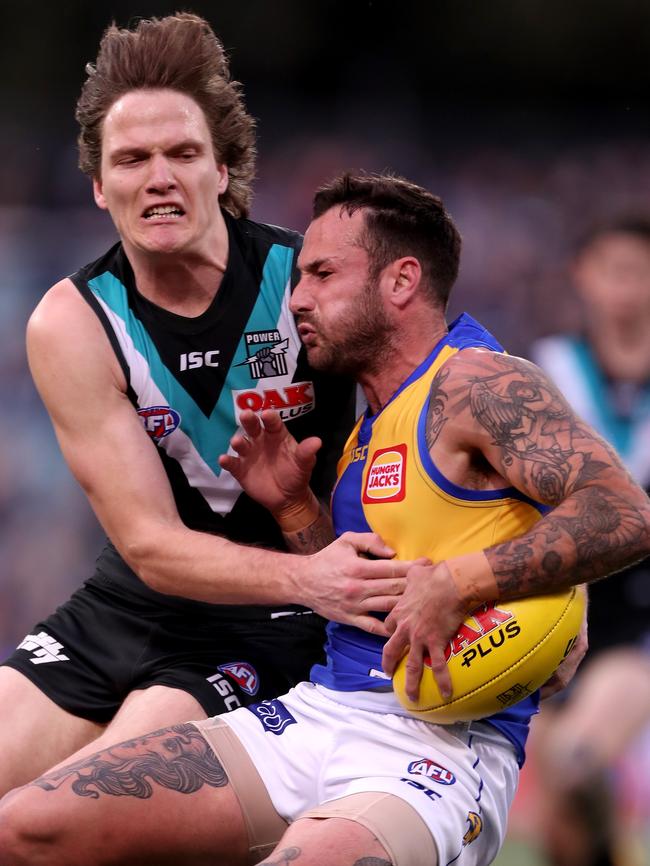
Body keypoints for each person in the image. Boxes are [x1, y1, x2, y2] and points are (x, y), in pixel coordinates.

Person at [1, 172, 648, 866]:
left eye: (321, 274)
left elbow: (625, 511)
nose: (298, 297)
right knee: (24, 825)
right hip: (320, 713)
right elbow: (363, 595)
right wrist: (294, 508)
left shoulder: (478, 382)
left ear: (400, 281)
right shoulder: (367, 425)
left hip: (437, 749)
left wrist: (462, 583)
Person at [0, 14, 416, 798]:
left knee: (74, 809)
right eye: (131, 159)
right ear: (98, 185)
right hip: (128, 606)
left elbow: (447, 428)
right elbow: (151, 545)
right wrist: (314, 581)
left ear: (222, 169)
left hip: (269, 622)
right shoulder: (72, 321)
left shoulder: (311, 282)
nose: (158, 176)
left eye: (182, 154)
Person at [521, 217, 650, 866]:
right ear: (584, 277)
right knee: (561, 831)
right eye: (613, 270)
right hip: (559, 612)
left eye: (641, 271)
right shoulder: (542, 372)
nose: (627, 288)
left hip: (638, 626)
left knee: (578, 762)